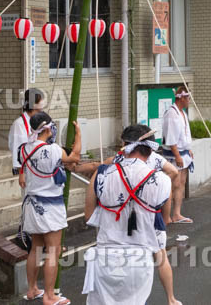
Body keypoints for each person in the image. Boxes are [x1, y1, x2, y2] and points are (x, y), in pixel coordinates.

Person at [84, 124, 173, 305]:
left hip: (105, 257)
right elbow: (164, 220)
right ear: (150, 149)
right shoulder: (162, 180)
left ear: (124, 145)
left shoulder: (101, 174)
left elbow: (89, 216)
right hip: (139, 259)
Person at [18, 112, 81, 305]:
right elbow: (74, 157)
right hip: (51, 204)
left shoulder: (24, 149)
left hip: (31, 204)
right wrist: (78, 135)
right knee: (54, 250)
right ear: (47, 129)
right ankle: (49, 296)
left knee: (35, 248)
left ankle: (32, 289)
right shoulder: (53, 149)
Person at [160, 85, 194, 224]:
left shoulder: (182, 113)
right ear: (182, 98)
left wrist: (188, 149)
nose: (189, 100)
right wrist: (178, 155)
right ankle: (166, 215)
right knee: (173, 184)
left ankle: (177, 214)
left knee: (181, 183)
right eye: (188, 98)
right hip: (174, 154)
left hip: (183, 152)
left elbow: (183, 134)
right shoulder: (172, 114)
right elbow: (171, 138)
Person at [9, 88, 45, 177]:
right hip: (25, 169)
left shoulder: (39, 120)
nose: (43, 103)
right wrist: (21, 174)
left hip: (37, 166)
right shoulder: (19, 124)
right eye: (40, 100)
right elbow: (17, 149)